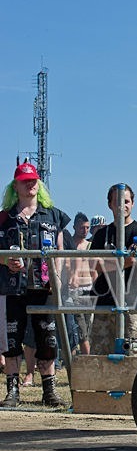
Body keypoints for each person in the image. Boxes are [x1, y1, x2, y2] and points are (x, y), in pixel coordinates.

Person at [0, 161, 70, 407]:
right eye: (24, 180)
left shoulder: (54, 215)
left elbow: (61, 252)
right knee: (11, 339)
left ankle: (49, 391)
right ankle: (12, 392)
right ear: (15, 185)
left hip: (44, 288)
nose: (29, 184)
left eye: (33, 180)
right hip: (11, 287)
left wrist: (57, 279)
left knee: (47, 339)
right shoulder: (4, 217)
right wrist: (5, 260)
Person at [89, 185, 137, 355]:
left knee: (134, 354)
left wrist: (108, 263)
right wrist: (122, 262)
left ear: (132, 203)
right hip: (104, 301)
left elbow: (134, 259)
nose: (122, 206)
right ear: (109, 204)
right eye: (117, 202)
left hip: (130, 303)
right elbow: (94, 265)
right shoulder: (102, 234)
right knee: (99, 355)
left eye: (126, 201)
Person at [68, 212, 94, 355]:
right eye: (82, 227)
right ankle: (85, 357)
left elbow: (95, 269)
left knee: (88, 327)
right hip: (74, 289)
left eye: (87, 228)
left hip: (89, 289)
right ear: (74, 227)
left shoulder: (90, 245)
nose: (85, 231)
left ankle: (86, 358)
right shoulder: (69, 244)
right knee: (80, 327)